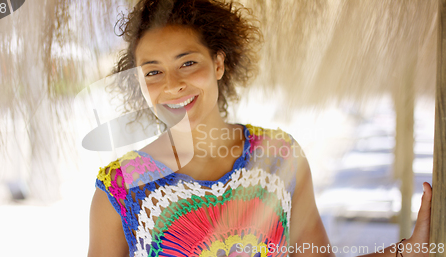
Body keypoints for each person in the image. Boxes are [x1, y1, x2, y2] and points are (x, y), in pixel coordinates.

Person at [88, 0, 433, 256]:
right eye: (153, 72)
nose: (172, 84)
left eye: (188, 63)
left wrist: (407, 250)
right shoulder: (121, 190)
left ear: (218, 63)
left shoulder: (279, 157)